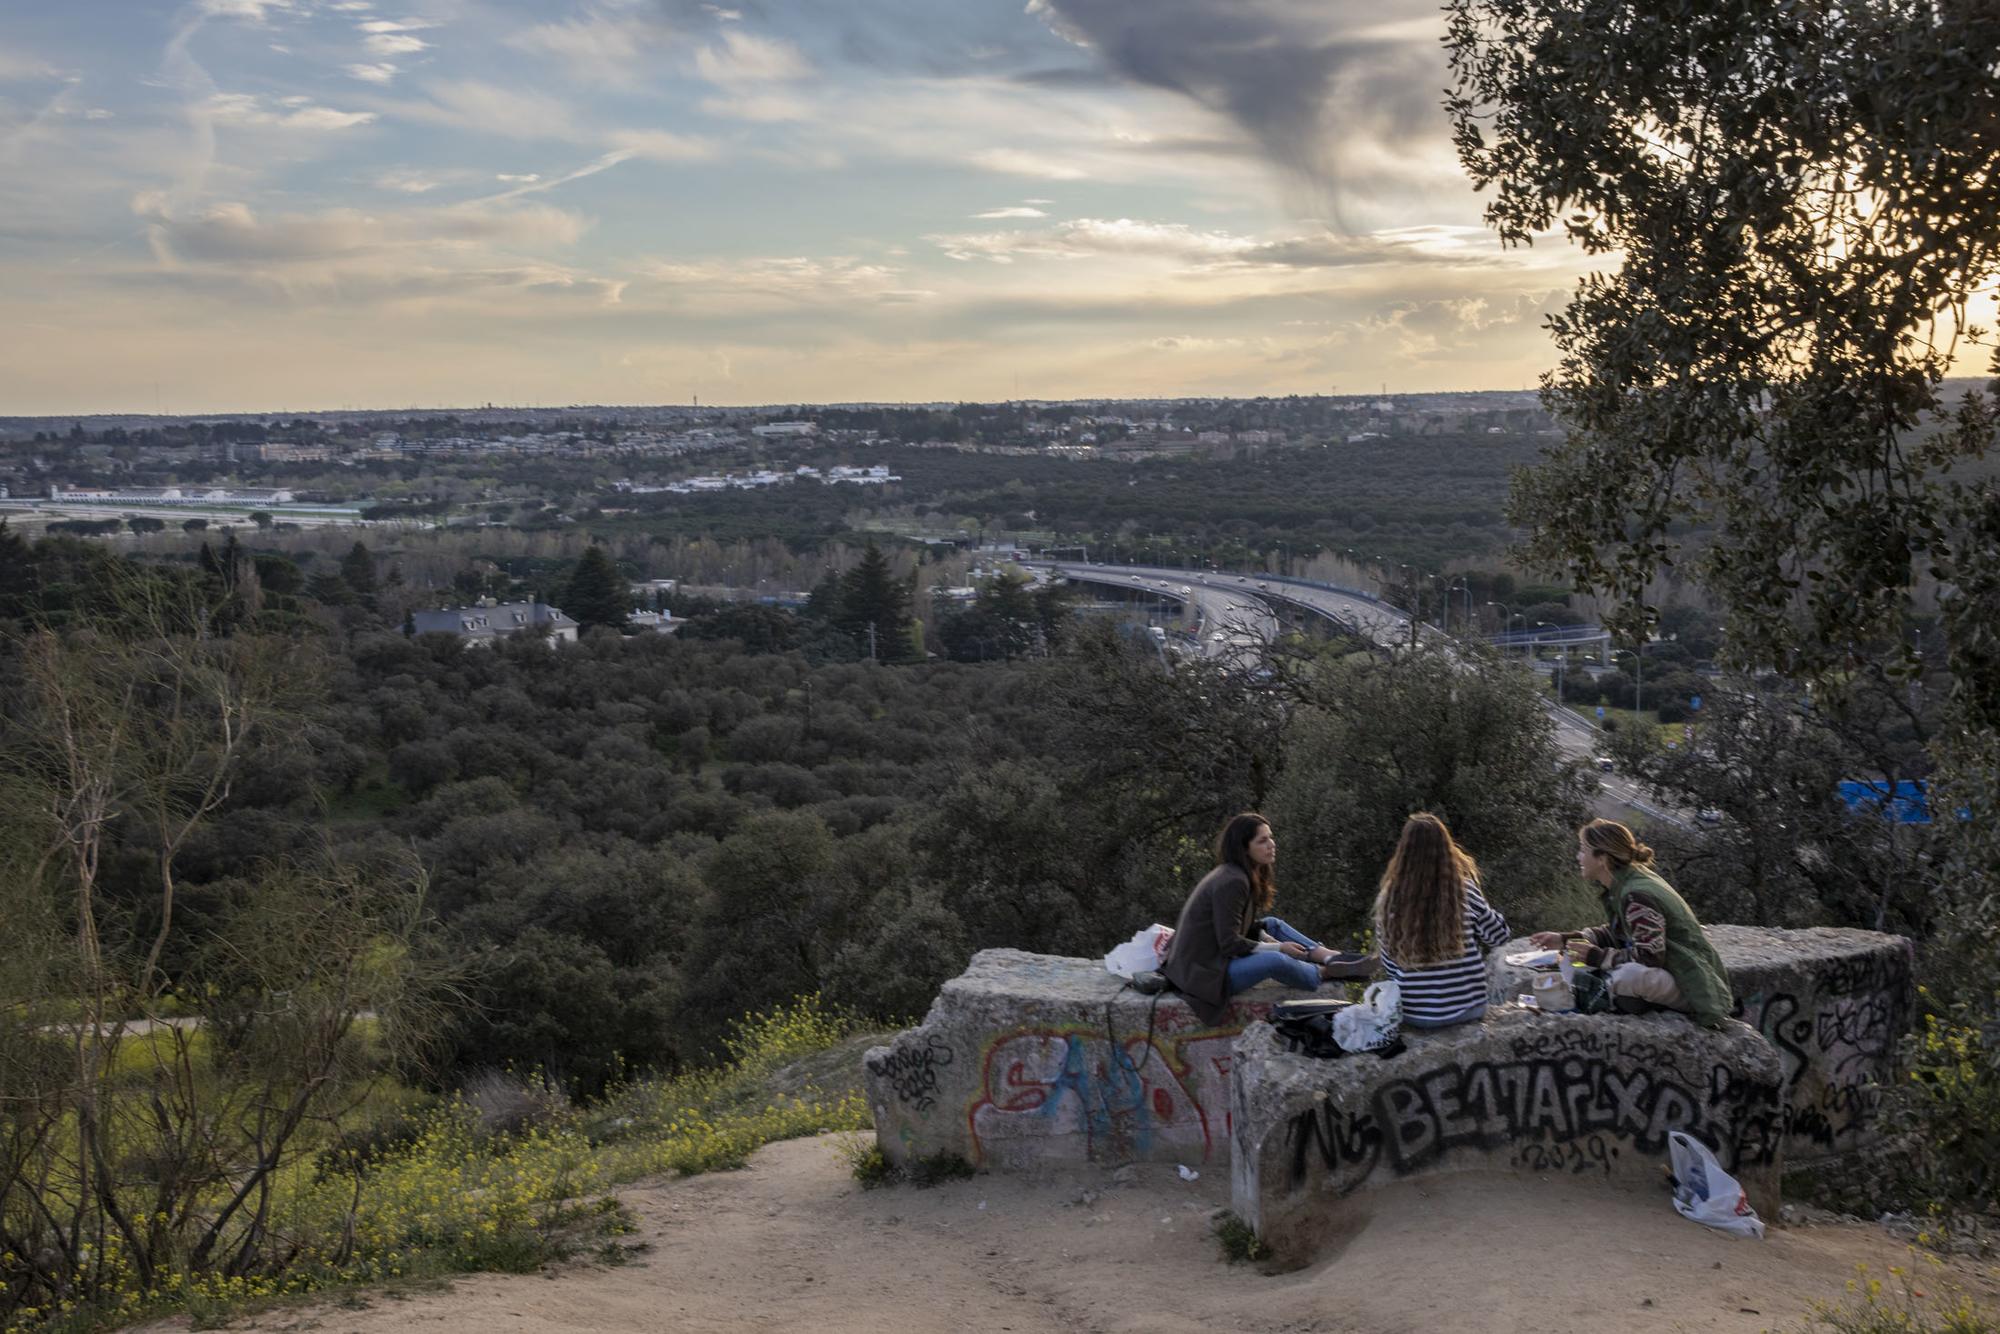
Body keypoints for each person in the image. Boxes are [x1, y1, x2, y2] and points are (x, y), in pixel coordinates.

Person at [1161, 812, 1370, 1026]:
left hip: (1210, 961)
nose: (1271, 844)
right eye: (1262, 841)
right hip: (1205, 975)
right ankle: (1323, 972)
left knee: (1272, 924)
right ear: (1244, 848)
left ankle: (1328, 956)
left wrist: (1267, 939)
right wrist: (1279, 949)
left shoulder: (1237, 873)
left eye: (1271, 837)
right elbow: (1229, 944)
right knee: (1275, 961)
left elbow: (1241, 927)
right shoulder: (1232, 882)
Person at [1529, 818, 1732, 1027]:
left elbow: (1650, 956)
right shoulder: (1628, 882)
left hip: (1693, 985)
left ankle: (1600, 1000)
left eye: (1583, 850)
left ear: (1602, 858)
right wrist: (1566, 940)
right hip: (1674, 974)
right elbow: (1622, 932)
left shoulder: (1637, 895)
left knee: (1627, 976)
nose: (1578, 856)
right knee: (1572, 960)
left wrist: (1597, 956)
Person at [1374, 812, 1510, 1029]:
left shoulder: (1389, 899)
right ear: (1447, 849)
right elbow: (1499, 937)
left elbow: (1390, 964)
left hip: (1414, 1014)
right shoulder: (1463, 890)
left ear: (1404, 852)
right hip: (1468, 1009)